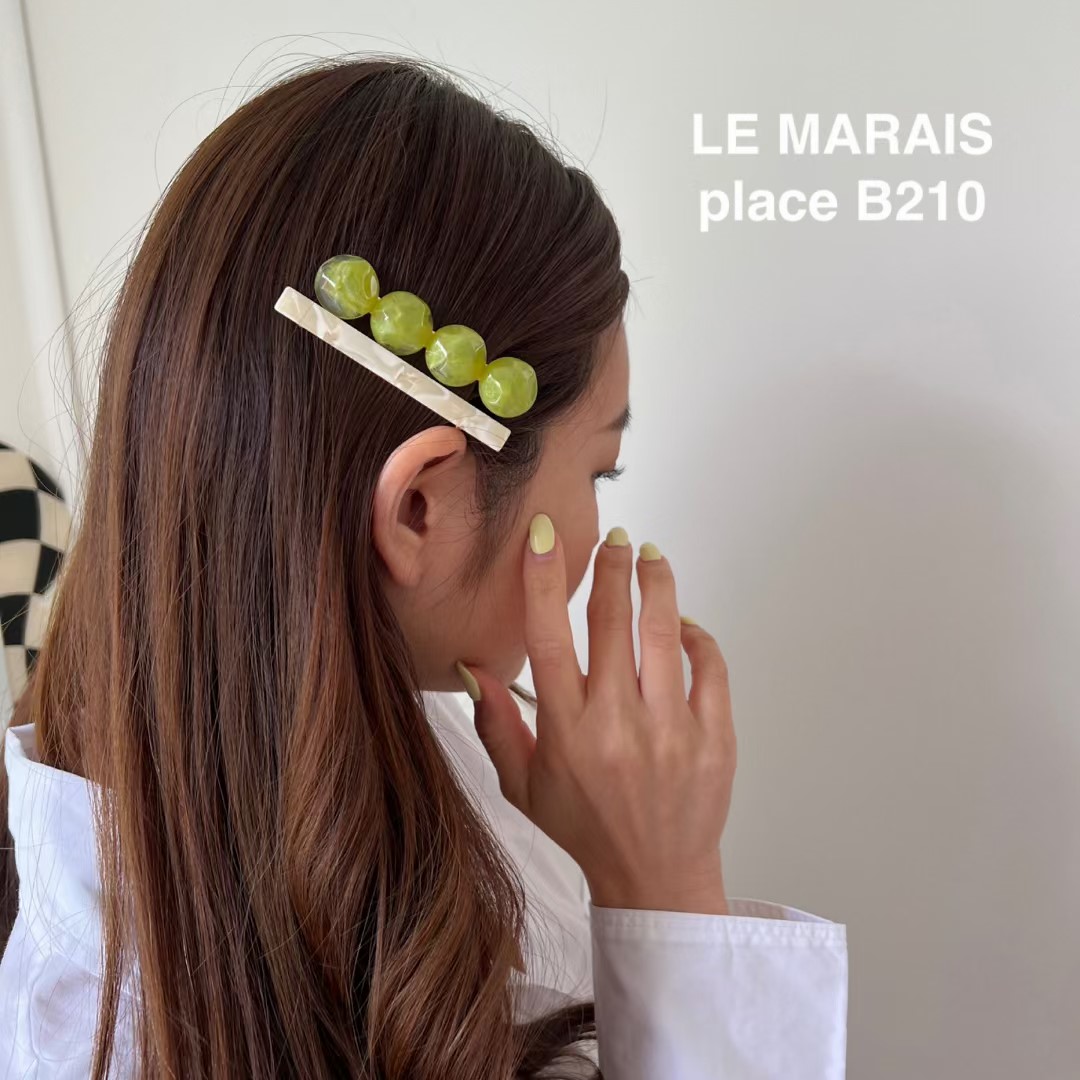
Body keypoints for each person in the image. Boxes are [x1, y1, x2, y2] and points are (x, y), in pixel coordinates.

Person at [0, 53, 847, 1079]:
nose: (598, 525)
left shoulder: (401, 744)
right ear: (419, 507)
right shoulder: (107, 1036)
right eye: (600, 471)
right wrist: (664, 893)